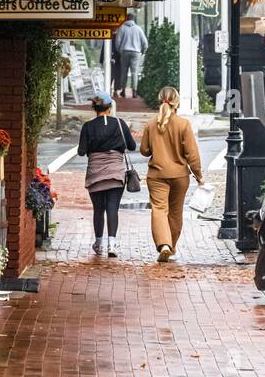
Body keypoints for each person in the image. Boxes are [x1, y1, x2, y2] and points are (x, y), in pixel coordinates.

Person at [139, 85, 204, 263]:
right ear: (177, 102)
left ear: (160, 100)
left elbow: (144, 150)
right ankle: (171, 246)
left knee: (159, 210)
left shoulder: (151, 124)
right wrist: (198, 175)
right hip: (180, 176)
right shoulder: (183, 124)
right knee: (175, 213)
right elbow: (192, 154)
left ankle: (164, 245)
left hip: (157, 175)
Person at [78, 91, 136, 257]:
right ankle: (112, 244)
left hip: (95, 172)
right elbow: (131, 146)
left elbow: (81, 151)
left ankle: (98, 243)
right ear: (110, 108)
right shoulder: (120, 123)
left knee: (98, 209)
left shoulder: (88, 127)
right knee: (112, 207)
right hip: (116, 172)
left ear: (94, 108)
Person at [112, 14, 148, 98]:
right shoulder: (138, 29)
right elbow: (145, 42)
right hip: (135, 52)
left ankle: (123, 91)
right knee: (134, 72)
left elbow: (117, 42)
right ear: (134, 19)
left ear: (126, 19)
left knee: (124, 71)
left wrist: (120, 51)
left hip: (124, 52)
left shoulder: (122, 28)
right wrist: (142, 51)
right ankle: (134, 91)